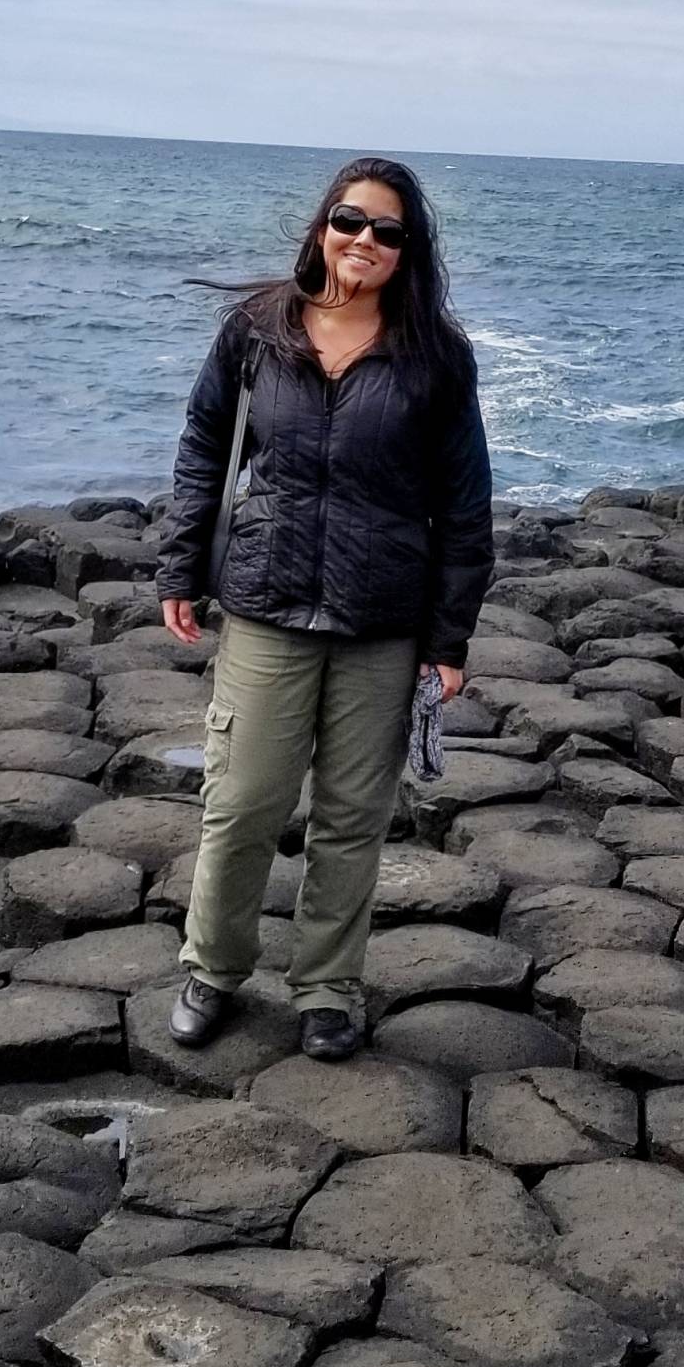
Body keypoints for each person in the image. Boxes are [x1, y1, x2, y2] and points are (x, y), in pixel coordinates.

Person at [155, 155, 494, 1063]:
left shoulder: (435, 356)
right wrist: (180, 567)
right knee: (242, 803)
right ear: (322, 225)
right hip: (266, 605)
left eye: (388, 230)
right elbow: (205, 447)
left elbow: (465, 504)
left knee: (351, 819)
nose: (364, 241)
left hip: (383, 620)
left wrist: (449, 638)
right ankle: (213, 970)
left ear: (409, 249)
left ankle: (328, 989)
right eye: (351, 220)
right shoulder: (257, 330)